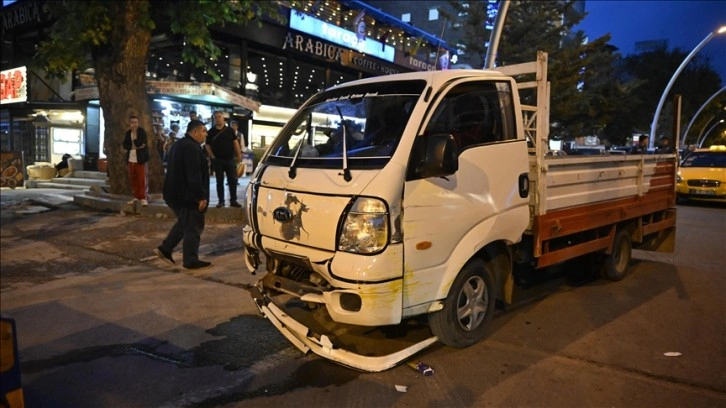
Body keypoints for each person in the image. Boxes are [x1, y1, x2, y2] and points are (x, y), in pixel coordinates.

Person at [154, 120, 212, 270]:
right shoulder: (191, 148)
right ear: (194, 132)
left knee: (184, 223)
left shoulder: (179, 145)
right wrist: (200, 196)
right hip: (186, 195)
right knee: (193, 225)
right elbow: (193, 175)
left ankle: (165, 249)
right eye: (203, 131)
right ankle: (191, 260)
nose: (206, 134)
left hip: (175, 193)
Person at [205, 111, 242, 208]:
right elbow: (207, 145)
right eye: (216, 117)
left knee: (232, 181)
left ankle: (233, 200)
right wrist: (212, 156)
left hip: (229, 159)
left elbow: (235, 143)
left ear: (223, 118)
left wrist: (239, 155)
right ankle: (221, 201)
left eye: (219, 117)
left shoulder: (230, 130)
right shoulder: (211, 132)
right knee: (219, 181)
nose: (218, 119)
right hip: (218, 160)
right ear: (214, 119)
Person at [122, 115, 150, 206]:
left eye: (136, 122)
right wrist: (135, 146)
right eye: (132, 122)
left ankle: (143, 197)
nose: (134, 124)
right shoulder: (127, 133)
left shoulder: (141, 132)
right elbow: (125, 145)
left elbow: (141, 143)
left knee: (142, 179)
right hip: (131, 159)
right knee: (133, 178)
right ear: (129, 123)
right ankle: (136, 196)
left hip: (140, 159)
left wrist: (135, 138)